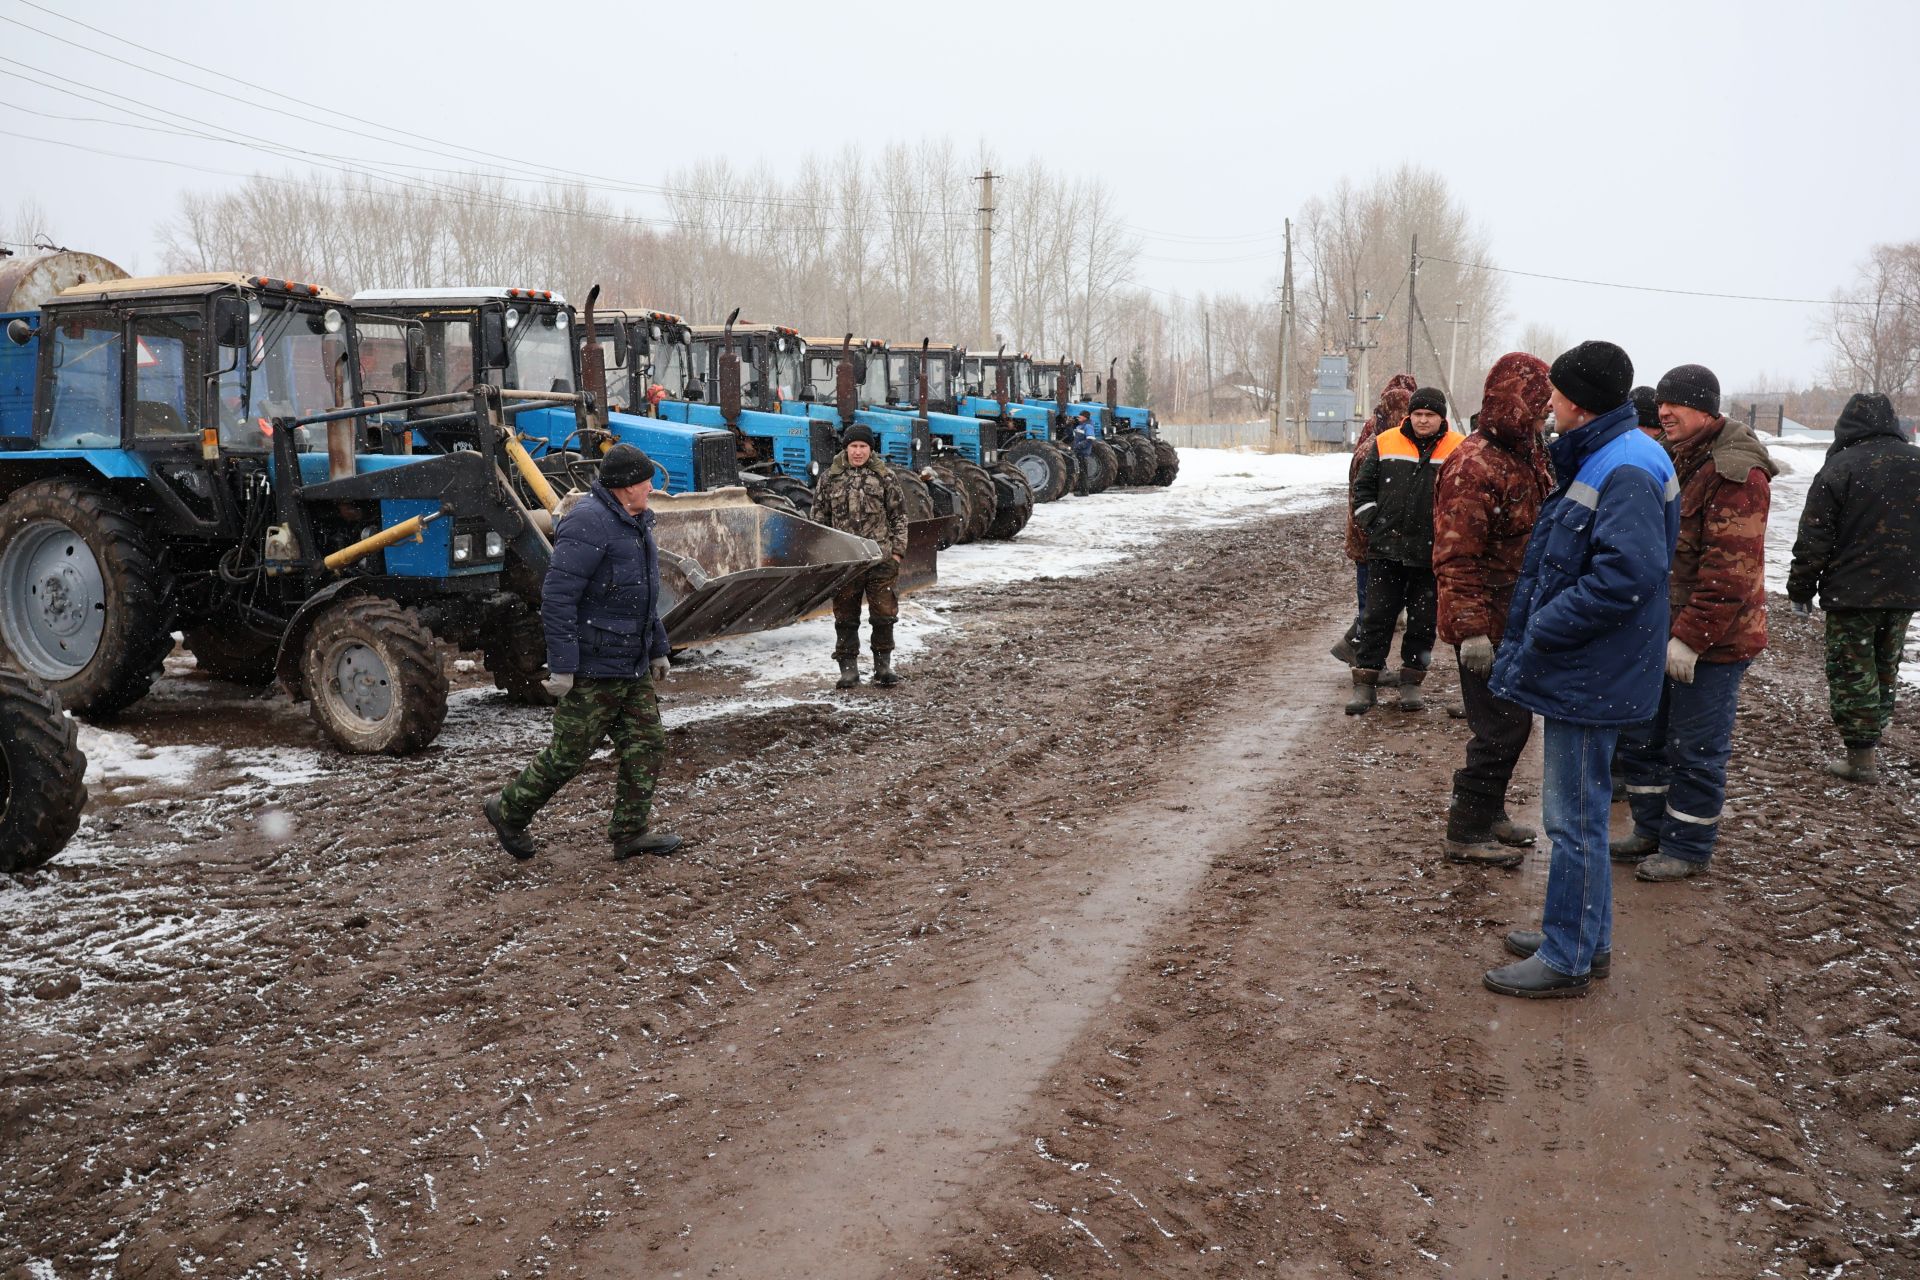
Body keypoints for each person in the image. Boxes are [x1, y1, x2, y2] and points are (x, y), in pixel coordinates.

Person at [1482, 341, 1678, 998]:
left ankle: (1568, 956)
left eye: (1556, 394)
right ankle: (1580, 934)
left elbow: (1627, 572)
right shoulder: (1615, 453)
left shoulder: (1623, 466)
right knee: (1581, 815)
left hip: (1593, 669)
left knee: (1573, 819)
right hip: (1598, 665)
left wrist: (1547, 623)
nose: (1549, 404)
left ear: (1576, 400)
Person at [1612, 364, 1776, 881]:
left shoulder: (1734, 472)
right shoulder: (1682, 459)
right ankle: (1651, 829)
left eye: (1675, 404)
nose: (1663, 412)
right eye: (1660, 403)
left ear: (1705, 408)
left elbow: (1730, 572)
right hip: (1664, 632)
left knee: (1695, 747)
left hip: (1712, 643)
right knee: (1644, 737)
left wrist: (1690, 639)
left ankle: (1687, 846)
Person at [485, 443, 678, 863]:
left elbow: (642, 595)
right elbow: (557, 598)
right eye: (645, 481)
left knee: (646, 743)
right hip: (595, 664)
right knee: (570, 754)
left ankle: (630, 831)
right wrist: (563, 666)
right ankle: (508, 808)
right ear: (626, 486)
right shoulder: (588, 523)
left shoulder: (638, 520)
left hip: (631, 662)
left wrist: (659, 647)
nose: (651, 487)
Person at [1433, 353, 1556, 865]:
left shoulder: (1527, 453)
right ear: (1513, 403)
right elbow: (1456, 555)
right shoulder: (1474, 464)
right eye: (1537, 404)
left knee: (1513, 722)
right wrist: (1472, 632)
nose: (1543, 414)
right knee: (1501, 727)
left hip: (1518, 615)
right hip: (1487, 621)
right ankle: (1466, 830)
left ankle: (1490, 813)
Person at [1786, 392, 1920, 784]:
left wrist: (1800, 589)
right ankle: (1870, 743)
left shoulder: (1839, 467)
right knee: (1884, 666)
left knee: (1851, 670)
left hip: (1853, 592)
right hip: (1905, 588)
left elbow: (1813, 538)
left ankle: (1861, 759)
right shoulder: (1917, 463)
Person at [1347, 386, 1461, 713]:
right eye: (1418, 414)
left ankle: (1411, 683)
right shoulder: (1386, 442)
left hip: (1430, 555)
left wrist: (1449, 533)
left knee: (1423, 622)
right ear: (1409, 415)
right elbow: (1363, 487)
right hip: (1386, 551)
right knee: (1376, 618)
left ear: (1442, 418)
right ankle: (1365, 684)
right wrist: (1372, 521)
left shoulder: (1457, 448)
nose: (1423, 421)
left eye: (1430, 415)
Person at [814, 424, 910, 688]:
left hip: (881, 559)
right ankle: (848, 669)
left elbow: (899, 517)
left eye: (863, 447)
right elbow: (819, 519)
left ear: (870, 449)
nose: (858, 452)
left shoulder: (885, 477)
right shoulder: (829, 478)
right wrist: (825, 555)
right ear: (846, 448)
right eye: (854, 446)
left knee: (884, 614)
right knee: (845, 617)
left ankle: (883, 667)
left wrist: (897, 553)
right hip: (846, 561)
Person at [1334, 374, 1418, 665]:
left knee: (1379, 605)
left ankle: (1360, 652)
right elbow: (1363, 499)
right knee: (1374, 607)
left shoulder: (1382, 438)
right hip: (1372, 545)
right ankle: (1364, 660)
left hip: (1377, 542)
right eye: (1409, 414)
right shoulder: (1378, 446)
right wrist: (1378, 530)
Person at [1071, 411, 1094, 496]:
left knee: (1083, 473)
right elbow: (1073, 435)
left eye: (1080, 416)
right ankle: (1081, 489)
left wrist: (1079, 446)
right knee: (1080, 472)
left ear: (1085, 417)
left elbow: (1090, 439)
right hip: (1078, 452)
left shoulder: (1088, 426)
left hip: (1082, 453)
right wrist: (1070, 425)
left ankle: (1084, 491)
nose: (1078, 417)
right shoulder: (1080, 426)